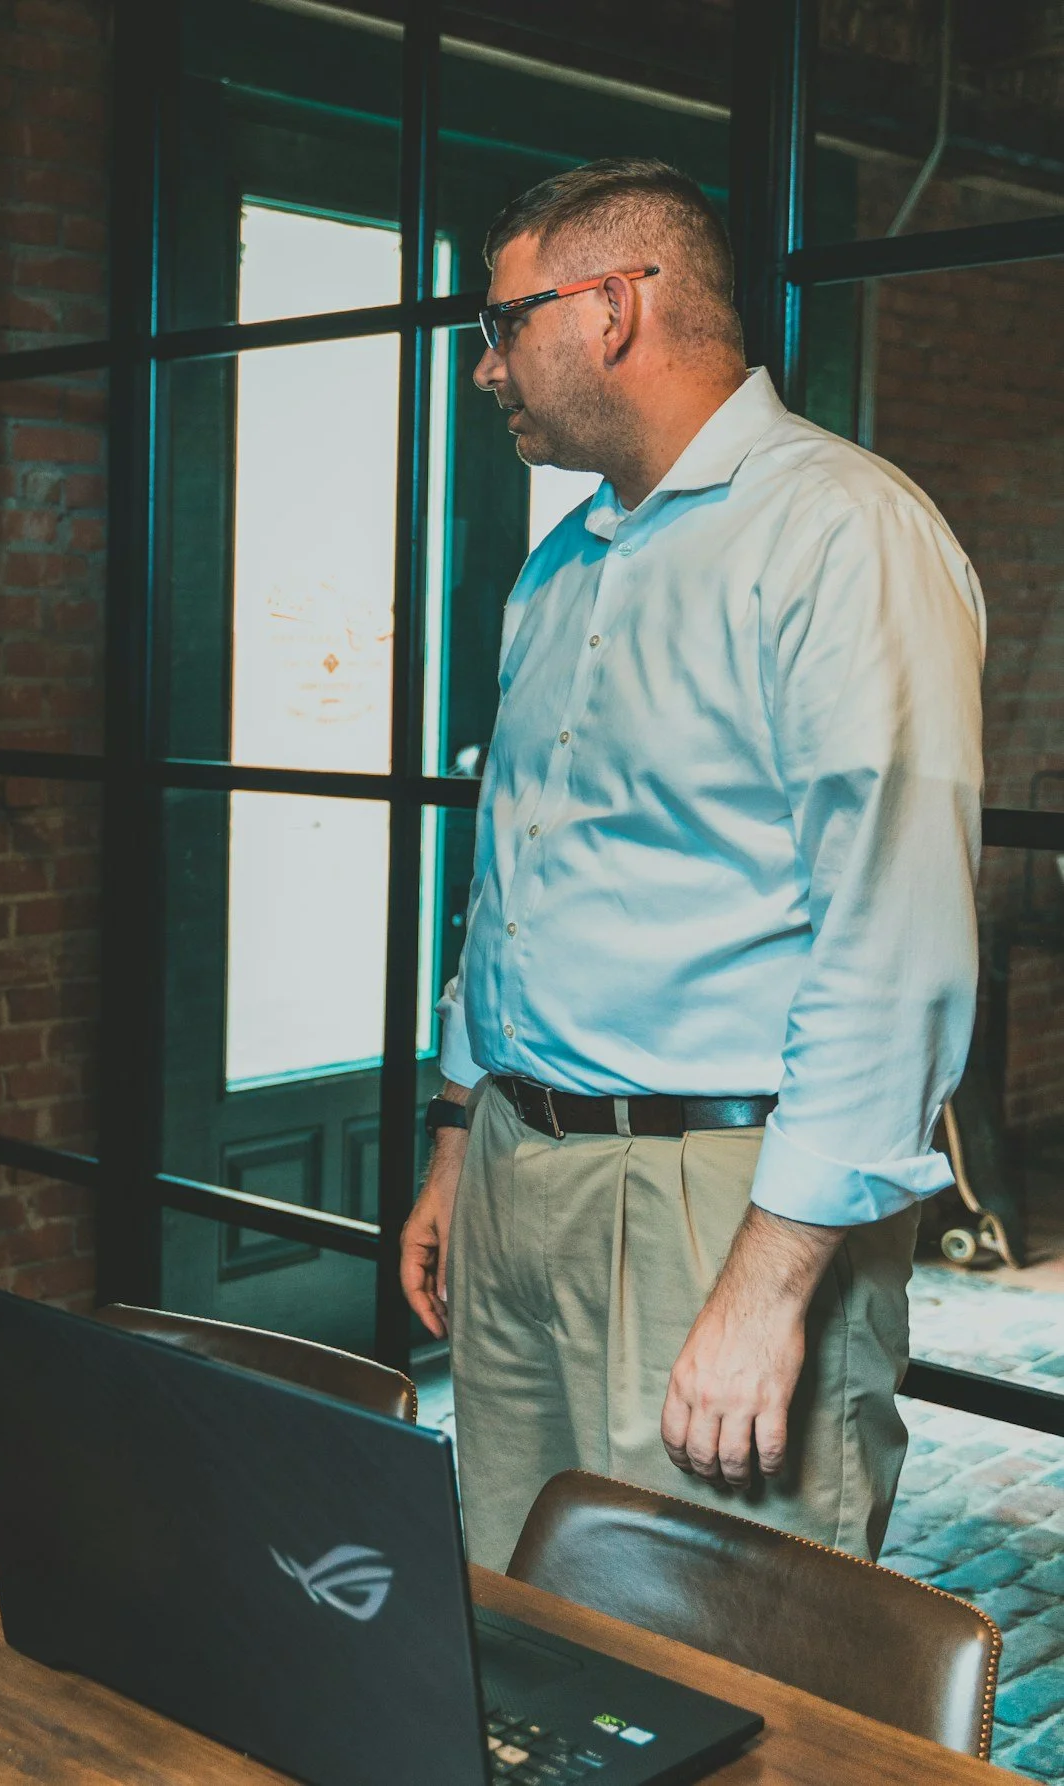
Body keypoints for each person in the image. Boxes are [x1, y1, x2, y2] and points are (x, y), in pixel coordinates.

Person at [399, 159, 985, 1569]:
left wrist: (768, 1287)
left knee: (728, 1668)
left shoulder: (843, 532)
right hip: (520, 1175)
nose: (486, 369)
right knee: (513, 1625)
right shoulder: (560, 569)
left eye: (499, 326)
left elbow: (893, 944)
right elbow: (519, 877)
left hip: (719, 1195)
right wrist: (460, 1136)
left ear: (609, 306)